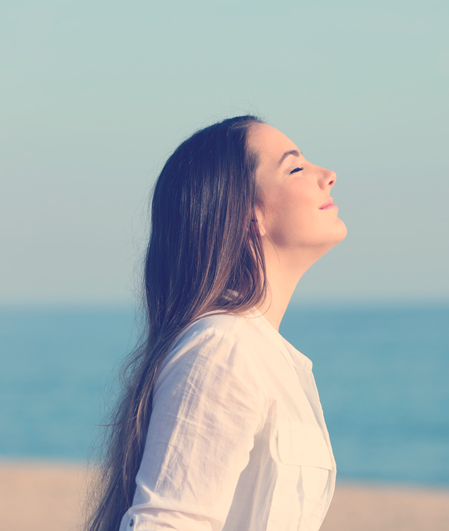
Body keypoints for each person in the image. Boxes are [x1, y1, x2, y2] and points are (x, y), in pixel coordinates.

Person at [86, 115, 347, 531]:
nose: (328, 176)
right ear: (248, 215)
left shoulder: (261, 353)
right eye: (295, 167)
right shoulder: (224, 347)